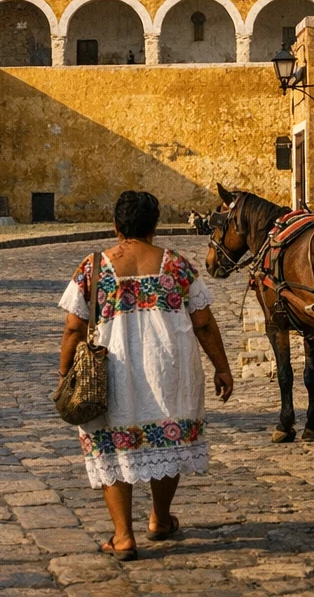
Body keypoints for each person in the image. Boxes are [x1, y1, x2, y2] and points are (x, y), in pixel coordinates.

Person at [57, 190, 232, 561]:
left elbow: (74, 327)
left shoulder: (93, 266)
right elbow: (203, 323)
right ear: (154, 225)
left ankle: (123, 536)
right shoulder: (178, 266)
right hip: (168, 367)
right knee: (166, 440)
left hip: (112, 373)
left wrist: (64, 372)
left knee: (111, 445)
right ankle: (161, 518)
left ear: (116, 225)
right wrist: (222, 366)